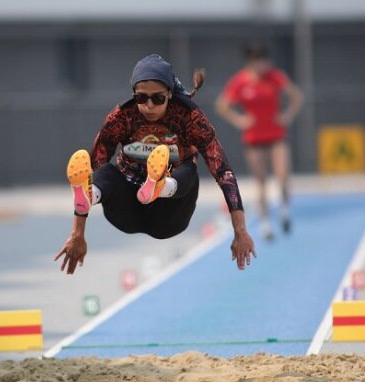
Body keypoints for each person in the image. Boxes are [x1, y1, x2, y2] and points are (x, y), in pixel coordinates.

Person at [55, 54, 256, 274]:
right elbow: (96, 164)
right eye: (141, 98)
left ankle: (161, 185)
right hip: (127, 209)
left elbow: (223, 171)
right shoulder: (121, 117)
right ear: (134, 94)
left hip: (169, 215)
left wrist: (240, 230)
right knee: (106, 172)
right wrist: (77, 234)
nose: (149, 106)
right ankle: (92, 195)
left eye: (158, 99)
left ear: (169, 94)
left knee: (188, 170)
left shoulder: (190, 118)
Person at [215, 43, 303, 241]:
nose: (263, 65)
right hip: (254, 139)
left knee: (282, 175)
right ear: (251, 62)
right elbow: (222, 105)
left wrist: (287, 115)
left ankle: (285, 210)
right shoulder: (240, 82)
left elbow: (296, 96)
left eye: (265, 60)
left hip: (276, 135)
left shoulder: (275, 77)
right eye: (259, 61)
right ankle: (265, 224)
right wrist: (240, 120)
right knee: (261, 182)